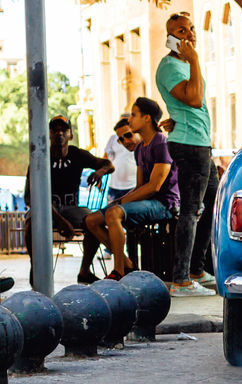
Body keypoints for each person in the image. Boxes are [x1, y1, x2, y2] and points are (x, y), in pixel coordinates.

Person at [83, 98, 183, 286]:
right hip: (148, 201)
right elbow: (139, 186)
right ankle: (128, 263)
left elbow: (155, 186)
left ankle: (119, 271)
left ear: (147, 118)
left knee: (114, 213)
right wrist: (121, 200)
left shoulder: (161, 143)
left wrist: (121, 203)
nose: (130, 120)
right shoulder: (140, 149)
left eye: (134, 115)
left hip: (164, 203)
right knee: (91, 220)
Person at [155, 12, 217, 294]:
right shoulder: (170, 66)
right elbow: (194, 99)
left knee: (213, 204)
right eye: (181, 31)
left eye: (191, 29)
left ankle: (196, 269)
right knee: (191, 211)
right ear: (170, 38)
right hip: (189, 145)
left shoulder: (186, 65)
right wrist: (194, 60)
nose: (190, 34)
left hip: (200, 143)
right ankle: (180, 279)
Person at [23, 115, 113, 284]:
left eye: (64, 129)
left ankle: (84, 272)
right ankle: (35, 267)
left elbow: (109, 164)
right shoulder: (40, 157)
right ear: (48, 134)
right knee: (30, 224)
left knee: (95, 222)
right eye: (54, 130)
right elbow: (29, 197)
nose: (59, 133)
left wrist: (99, 172)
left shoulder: (77, 154)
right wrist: (59, 219)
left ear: (70, 134)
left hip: (72, 207)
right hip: (45, 208)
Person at [102, 116, 138, 204]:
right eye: (121, 139)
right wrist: (101, 174)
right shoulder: (113, 138)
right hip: (113, 185)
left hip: (132, 186)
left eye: (128, 135)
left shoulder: (140, 145)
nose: (125, 141)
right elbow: (105, 158)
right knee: (110, 212)